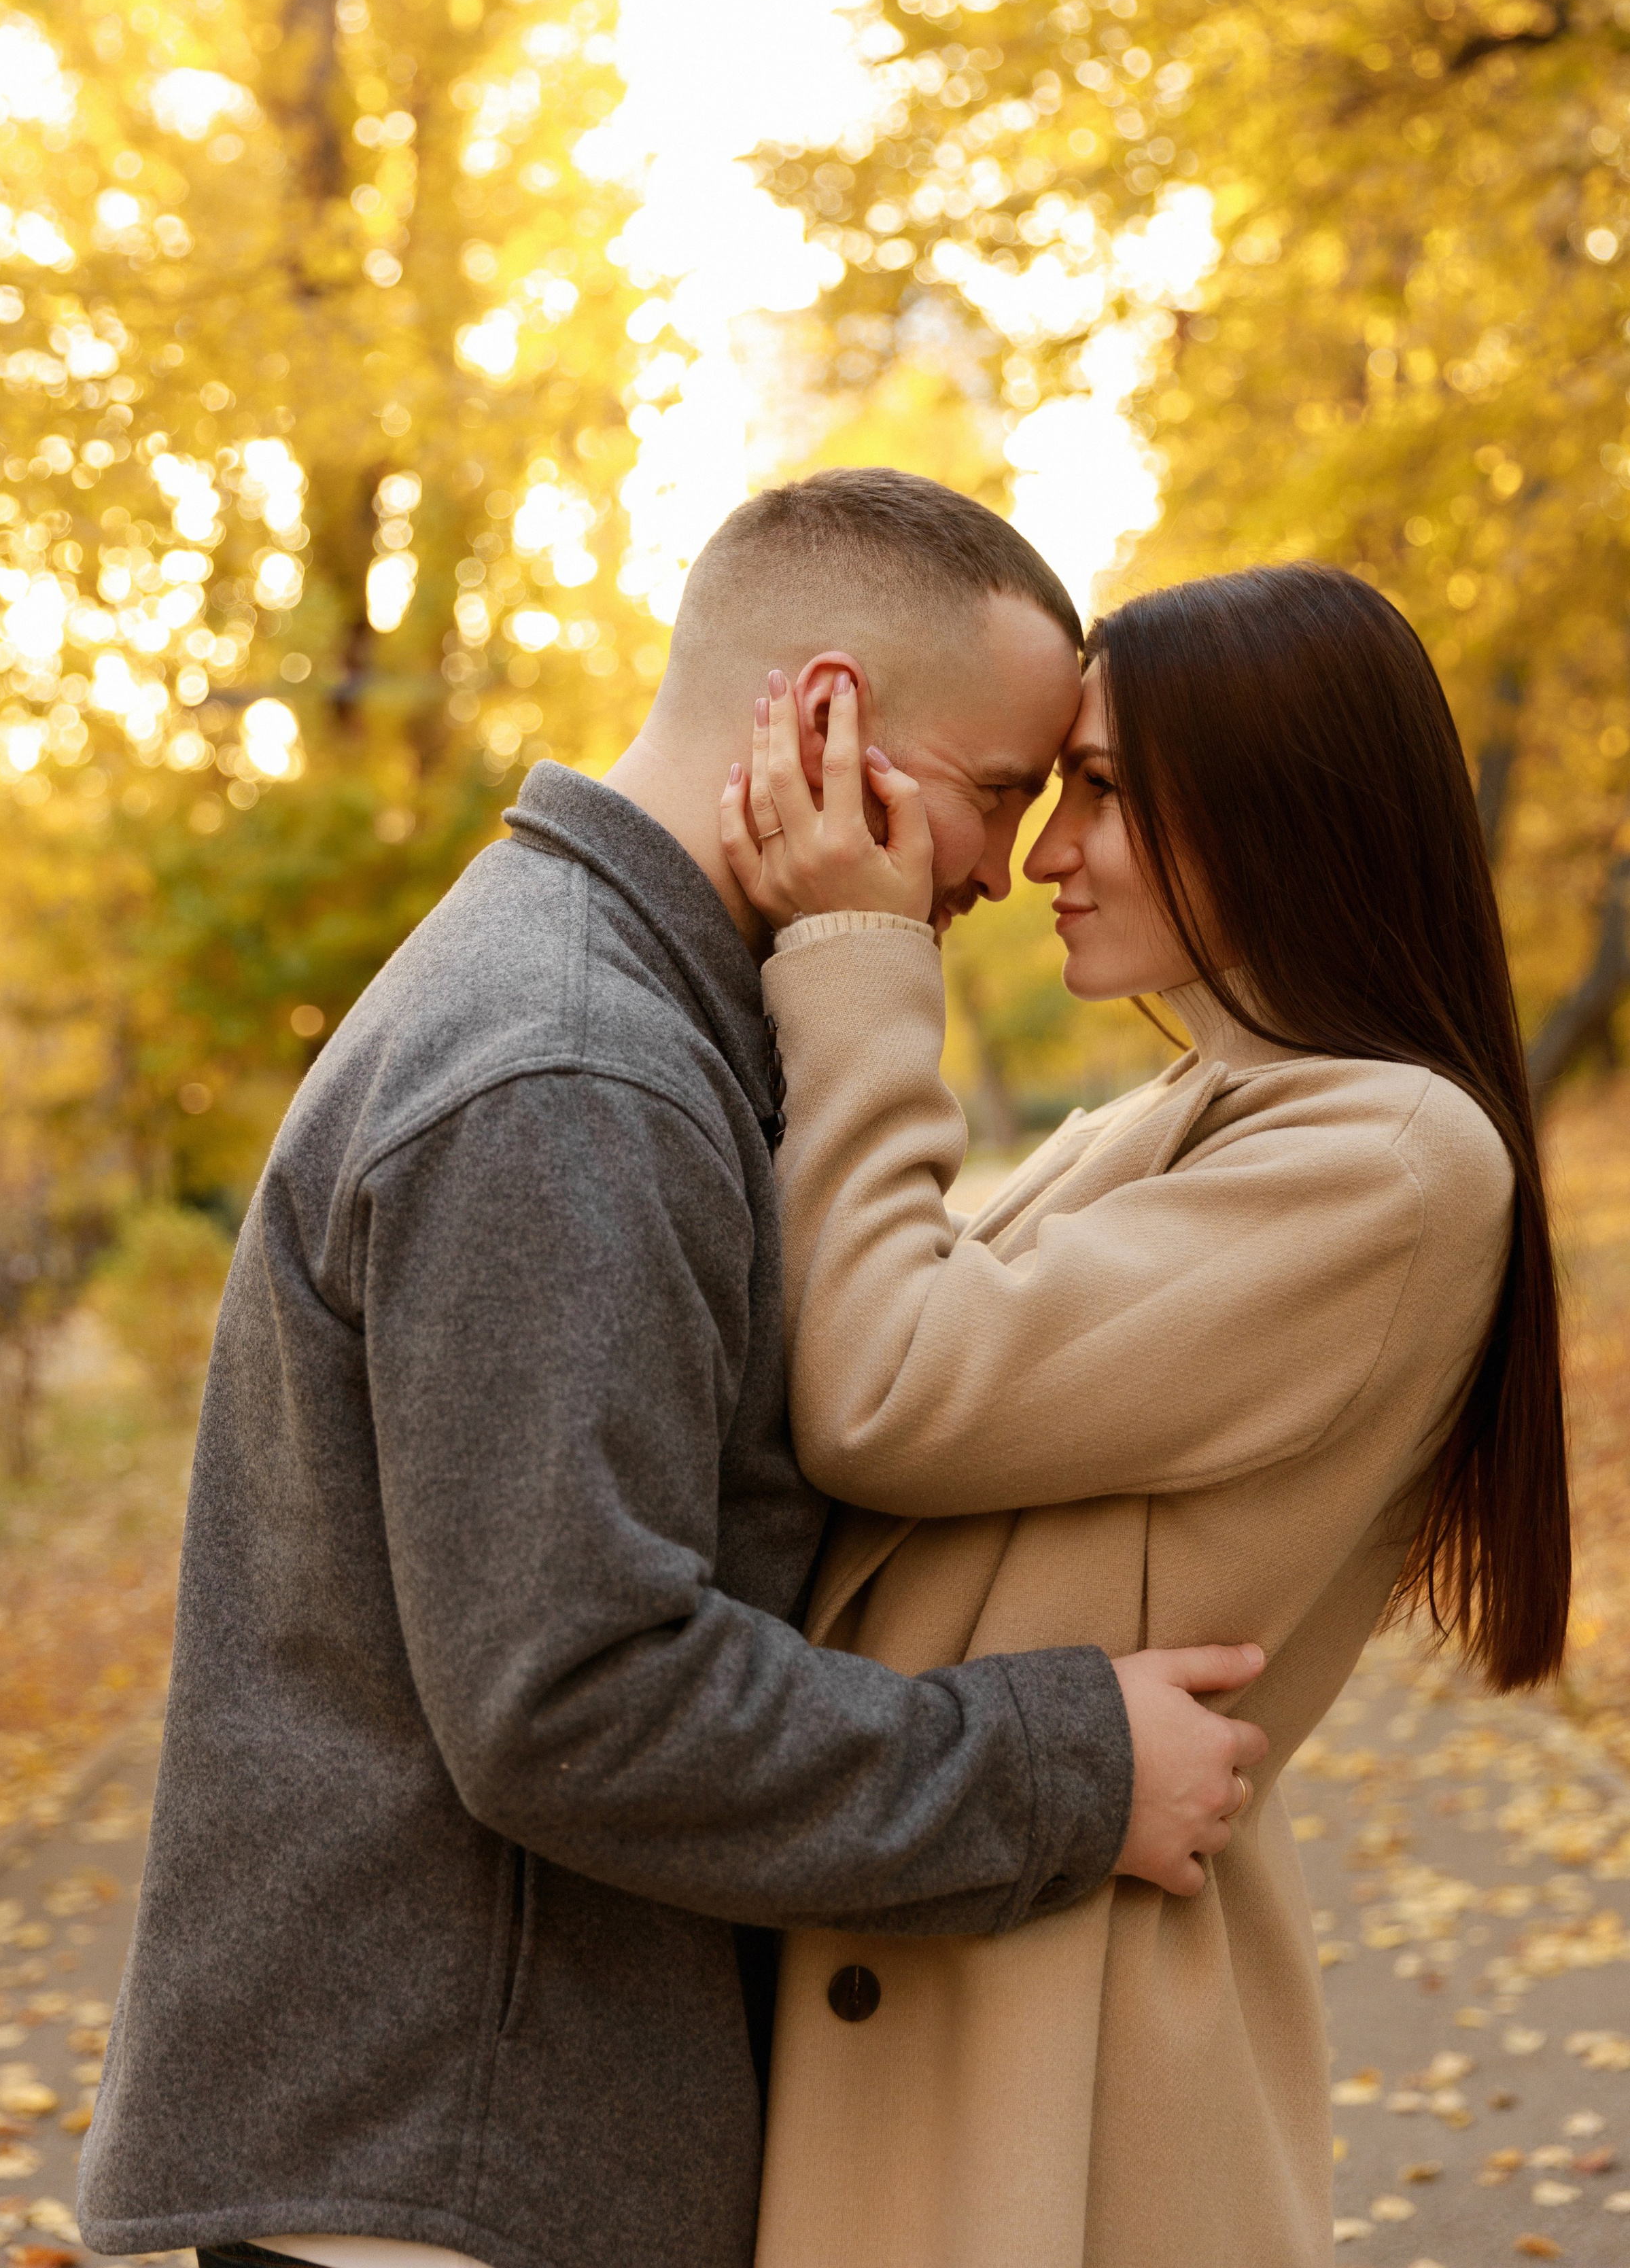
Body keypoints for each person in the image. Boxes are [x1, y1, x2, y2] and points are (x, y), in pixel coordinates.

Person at [75, 471, 1269, 2268]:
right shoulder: (574, 1074)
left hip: (477, 2155)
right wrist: (1069, 1771)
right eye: (1002, 791)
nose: (1004, 868)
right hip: (456, 2182)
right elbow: (580, 1695)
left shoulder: (620, 1014)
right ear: (827, 722)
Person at [719, 560, 1570, 2268]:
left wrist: (859, 959)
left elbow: (885, 1387)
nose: (1043, 855)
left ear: (1274, 804)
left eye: (1100, 791)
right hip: (971, 1965)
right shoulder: (1172, 1114)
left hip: (1065, 2071)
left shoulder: (1394, 1161)